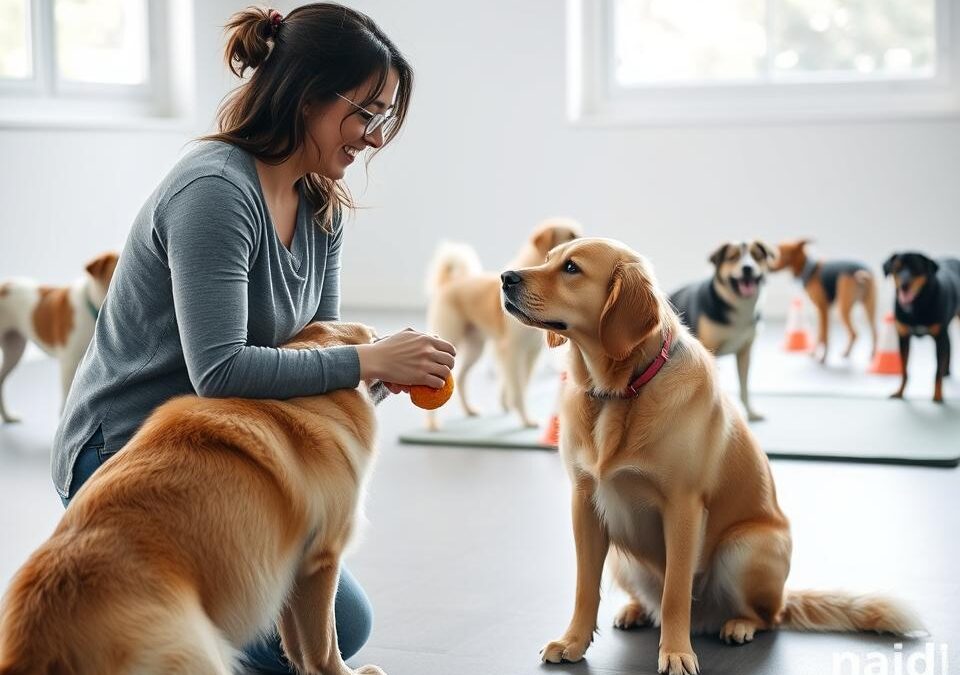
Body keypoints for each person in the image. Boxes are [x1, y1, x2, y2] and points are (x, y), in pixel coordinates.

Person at [51, 3, 455, 672]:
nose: (375, 137)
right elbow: (222, 370)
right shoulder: (214, 190)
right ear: (307, 97)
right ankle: (108, 582)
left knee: (344, 626)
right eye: (367, 113)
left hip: (233, 452)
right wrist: (366, 357)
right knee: (254, 642)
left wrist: (380, 375)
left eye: (384, 118)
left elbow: (314, 358)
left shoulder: (321, 204)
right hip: (130, 452)